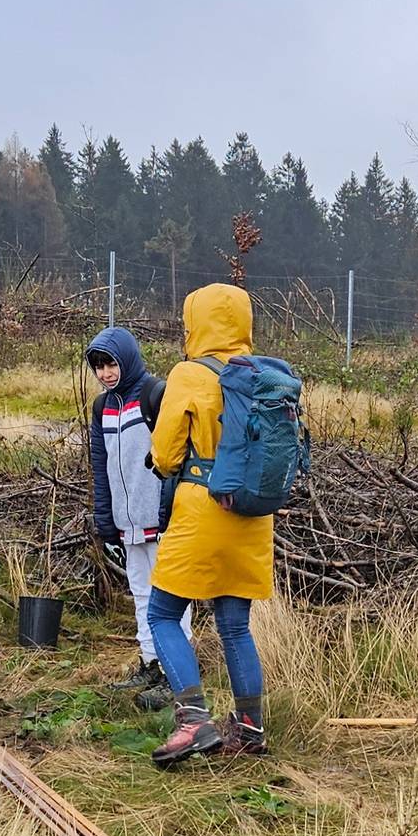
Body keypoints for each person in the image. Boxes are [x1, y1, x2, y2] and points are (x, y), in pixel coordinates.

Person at [146, 284, 275, 765]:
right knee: (235, 626)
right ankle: (250, 728)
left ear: (194, 322)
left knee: (162, 614)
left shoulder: (189, 374)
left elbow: (165, 455)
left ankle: (193, 721)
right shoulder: (264, 376)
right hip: (252, 515)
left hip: (202, 509)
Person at [84, 327, 177, 698]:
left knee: (171, 597)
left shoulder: (155, 394)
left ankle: (175, 672)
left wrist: (171, 511)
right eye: (99, 366)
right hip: (128, 522)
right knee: (141, 594)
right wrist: (106, 522)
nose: (105, 373)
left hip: (160, 519)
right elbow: (101, 466)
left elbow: (176, 457)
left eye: (111, 364)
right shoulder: (102, 408)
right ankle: (151, 663)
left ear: (127, 359)